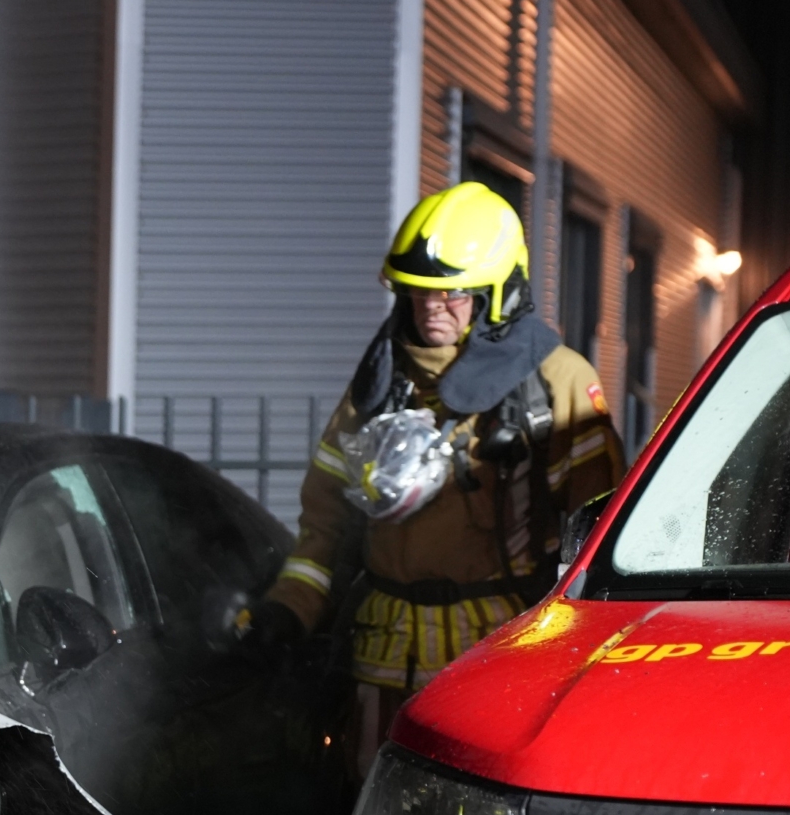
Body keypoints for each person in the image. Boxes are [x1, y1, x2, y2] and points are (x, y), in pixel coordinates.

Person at [246, 181, 622, 779]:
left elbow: (598, 537)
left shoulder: (556, 381)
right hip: (380, 654)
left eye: (453, 294)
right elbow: (325, 524)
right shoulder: (378, 382)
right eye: (419, 294)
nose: (431, 310)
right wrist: (288, 608)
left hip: (493, 657)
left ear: (500, 295)